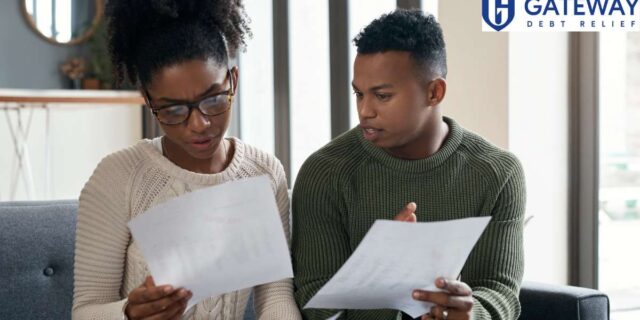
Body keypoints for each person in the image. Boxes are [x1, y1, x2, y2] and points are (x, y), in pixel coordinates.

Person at [72, 1, 301, 319]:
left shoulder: (264, 172)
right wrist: (129, 313)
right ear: (149, 100)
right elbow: (85, 311)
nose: (199, 124)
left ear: (232, 79)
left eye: (213, 99)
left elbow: (276, 297)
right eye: (173, 109)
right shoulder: (119, 176)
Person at [292, 9, 525, 320]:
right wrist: (376, 269)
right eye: (359, 94)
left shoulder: (498, 173)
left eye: (382, 96)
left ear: (434, 92)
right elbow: (313, 305)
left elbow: (500, 290)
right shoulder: (325, 172)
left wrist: (471, 313)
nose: (364, 110)